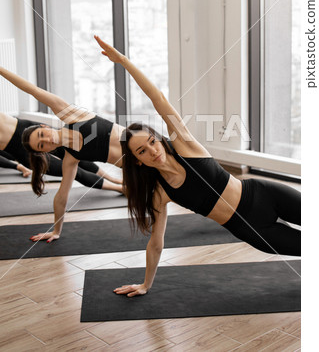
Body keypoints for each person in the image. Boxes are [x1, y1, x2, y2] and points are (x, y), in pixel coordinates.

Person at [94, 35, 301, 298]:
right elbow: (156, 244)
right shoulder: (161, 192)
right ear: (137, 160)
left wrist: (122, 61)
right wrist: (145, 284)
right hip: (252, 229)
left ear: (158, 138)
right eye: (142, 151)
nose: (152, 150)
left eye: (152, 141)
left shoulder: (185, 147)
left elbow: (158, 98)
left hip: (265, 194)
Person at [0, 70, 124, 243]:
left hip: (157, 150)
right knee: (77, 169)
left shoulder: (72, 116)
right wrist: (56, 230)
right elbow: (61, 197)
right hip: (145, 169)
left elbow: (31, 89)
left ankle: (117, 182)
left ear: (44, 126)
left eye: (44, 133)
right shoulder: (70, 158)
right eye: (43, 144)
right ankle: (121, 187)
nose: (48, 138)